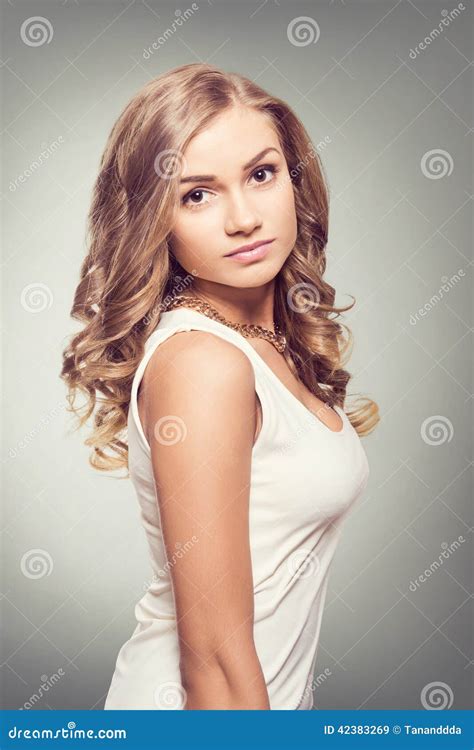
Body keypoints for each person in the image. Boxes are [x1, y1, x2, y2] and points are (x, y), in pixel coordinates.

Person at [60, 62, 379, 710]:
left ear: (293, 179)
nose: (242, 218)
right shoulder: (202, 362)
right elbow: (212, 660)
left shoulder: (264, 342)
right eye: (197, 194)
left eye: (261, 174)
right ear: (157, 218)